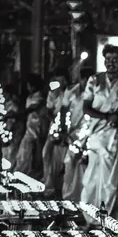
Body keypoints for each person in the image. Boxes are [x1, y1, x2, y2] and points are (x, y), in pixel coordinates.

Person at [80, 45, 118, 220]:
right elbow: (86, 108)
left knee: (111, 181)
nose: (111, 63)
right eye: (108, 59)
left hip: (114, 138)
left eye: (115, 59)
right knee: (91, 180)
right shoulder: (94, 80)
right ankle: (90, 216)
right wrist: (105, 116)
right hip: (96, 136)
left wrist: (117, 118)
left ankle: (107, 218)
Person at [61, 66, 95, 201]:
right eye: (84, 80)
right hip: (72, 133)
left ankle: (82, 200)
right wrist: (64, 130)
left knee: (83, 165)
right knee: (69, 164)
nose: (86, 83)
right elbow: (63, 110)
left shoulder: (95, 93)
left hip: (87, 133)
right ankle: (69, 199)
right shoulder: (71, 92)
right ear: (80, 79)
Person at [14, 75, 50, 178]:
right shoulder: (30, 96)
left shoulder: (39, 96)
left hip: (37, 124)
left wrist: (19, 114)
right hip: (30, 124)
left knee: (36, 148)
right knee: (25, 148)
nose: (28, 88)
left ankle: (33, 171)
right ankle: (23, 171)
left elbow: (34, 107)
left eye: (29, 85)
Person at [42, 67, 70, 197]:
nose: (60, 82)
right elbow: (48, 109)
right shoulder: (54, 93)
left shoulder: (70, 92)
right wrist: (54, 119)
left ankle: (59, 188)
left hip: (68, 130)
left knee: (63, 159)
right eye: (58, 79)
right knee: (46, 154)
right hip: (54, 128)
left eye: (62, 79)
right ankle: (50, 183)